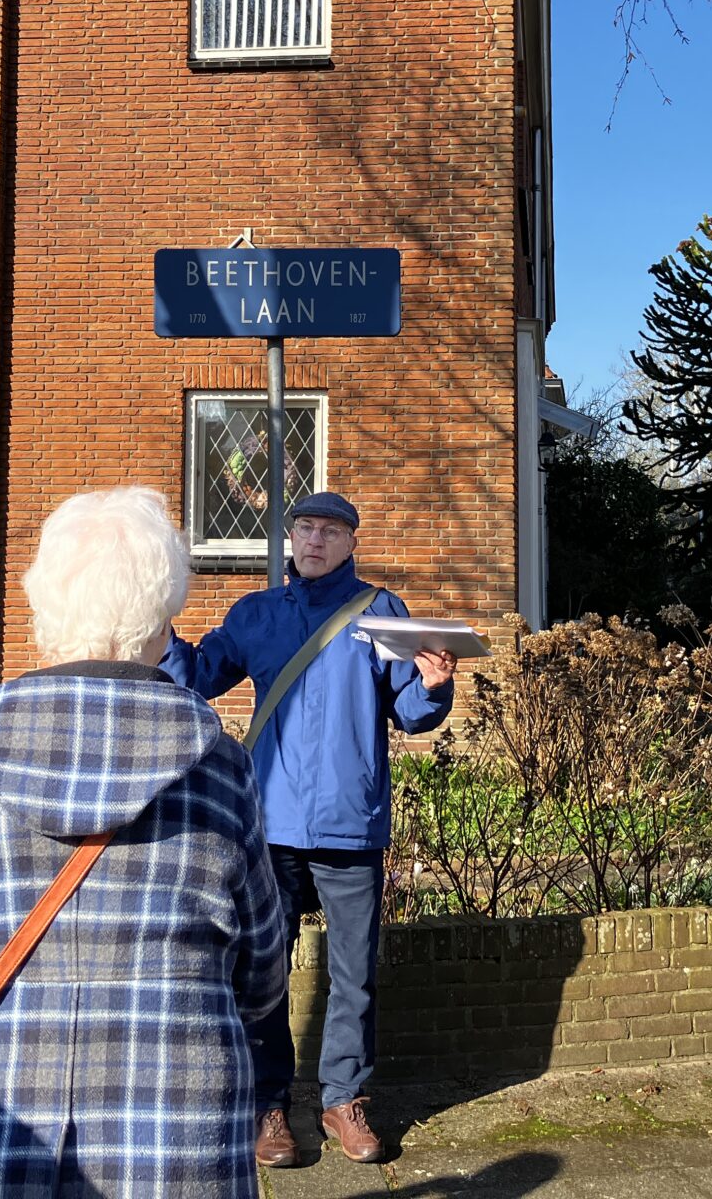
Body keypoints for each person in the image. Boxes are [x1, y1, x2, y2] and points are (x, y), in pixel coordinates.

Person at [0, 487, 285, 1196]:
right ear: (163, 620)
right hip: (176, 1141)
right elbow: (263, 970)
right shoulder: (220, 767)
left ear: (43, 611)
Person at [163, 490, 455, 1167]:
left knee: (356, 974)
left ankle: (342, 1101)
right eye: (306, 528)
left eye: (331, 530)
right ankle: (270, 1105)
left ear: (352, 542)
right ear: (290, 537)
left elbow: (410, 714)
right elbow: (199, 677)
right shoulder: (257, 614)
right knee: (265, 970)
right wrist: (156, 629)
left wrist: (434, 684)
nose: (317, 540)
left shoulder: (382, 613)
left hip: (353, 824)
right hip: (272, 825)